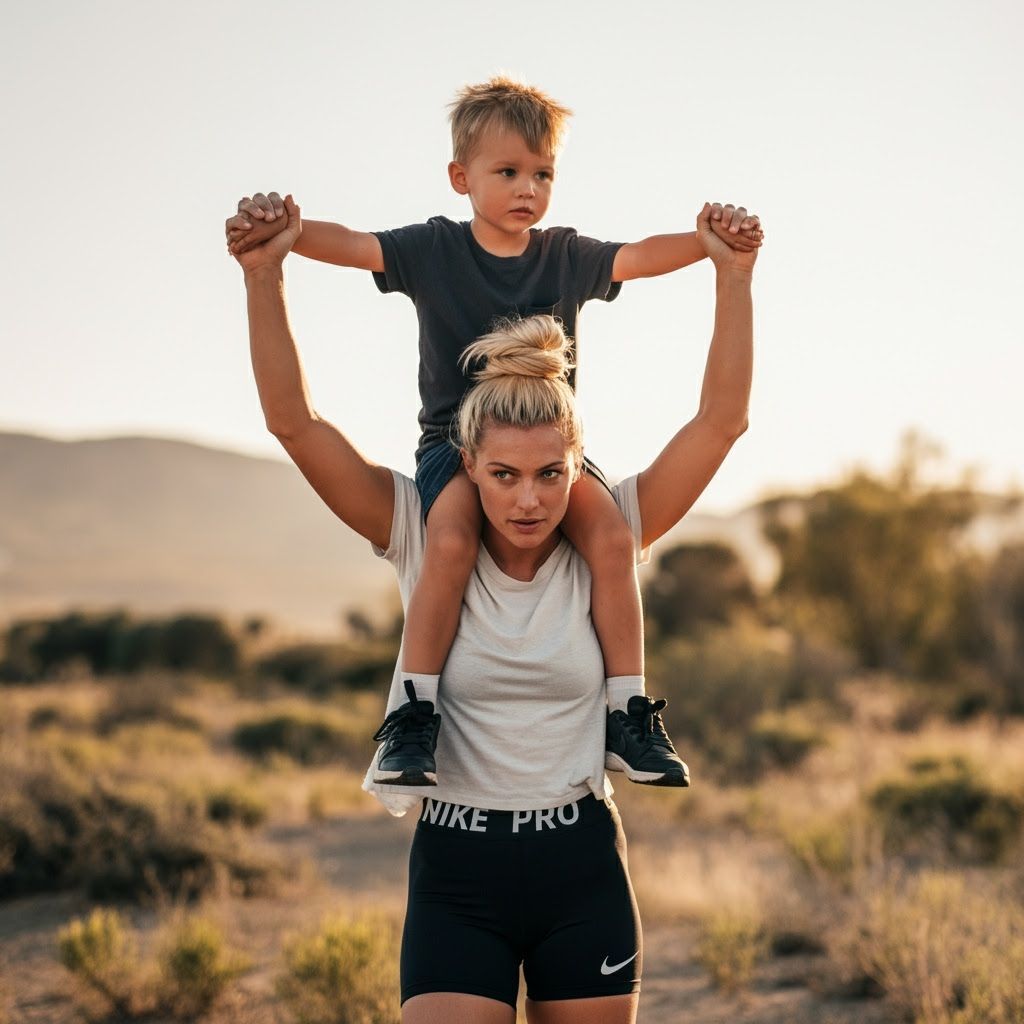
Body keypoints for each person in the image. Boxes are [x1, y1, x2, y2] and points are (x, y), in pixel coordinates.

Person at [235, 189, 758, 1023]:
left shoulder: (609, 535)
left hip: (581, 863)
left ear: (577, 466)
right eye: (505, 475)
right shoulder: (417, 527)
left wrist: (734, 278)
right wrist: (266, 276)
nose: (528, 500)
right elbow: (295, 423)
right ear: (468, 464)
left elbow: (722, 422)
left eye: (551, 474)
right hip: (457, 871)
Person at [225, 76, 762, 790]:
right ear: (461, 178)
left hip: (550, 437)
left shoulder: (565, 255)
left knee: (609, 537)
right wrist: (282, 243)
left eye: (542, 174)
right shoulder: (433, 248)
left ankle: (627, 712)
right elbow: (353, 247)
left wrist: (712, 250)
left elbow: (637, 257)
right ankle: (413, 716)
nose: (527, 188)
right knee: (449, 539)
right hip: (449, 441)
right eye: (507, 172)